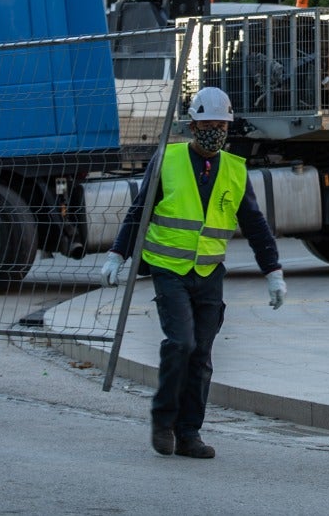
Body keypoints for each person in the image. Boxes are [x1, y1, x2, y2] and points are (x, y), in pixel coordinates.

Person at [100, 86, 286, 459]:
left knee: (201, 355)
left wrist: (273, 271)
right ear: (193, 125)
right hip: (169, 269)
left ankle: (189, 433)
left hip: (209, 273)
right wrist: (117, 254)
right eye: (208, 124)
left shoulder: (234, 170)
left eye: (221, 124)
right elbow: (141, 210)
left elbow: (254, 223)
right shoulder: (166, 160)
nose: (215, 130)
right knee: (180, 343)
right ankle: (163, 421)